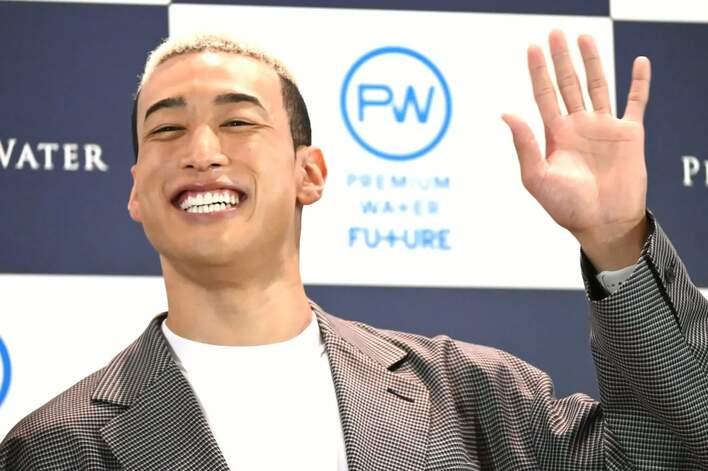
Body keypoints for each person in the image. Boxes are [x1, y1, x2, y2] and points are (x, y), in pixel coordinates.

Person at [1, 29, 707, 470]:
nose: (202, 151)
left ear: (309, 174)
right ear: (135, 192)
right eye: (165, 130)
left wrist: (616, 240)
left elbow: (674, 452)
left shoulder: (468, 393)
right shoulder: (53, 447)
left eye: (238, 122)